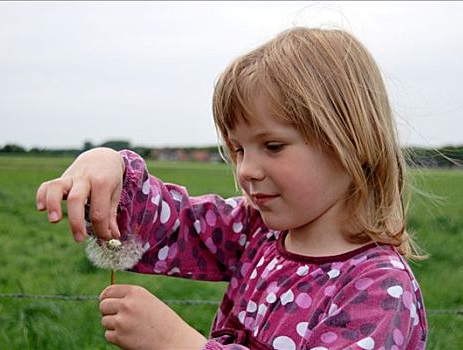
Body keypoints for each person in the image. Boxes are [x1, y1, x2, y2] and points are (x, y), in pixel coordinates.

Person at [36, 27, 427, 350]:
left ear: (351, 143)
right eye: (237, 149)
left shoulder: (378, 289)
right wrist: (109, 168)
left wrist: (181, 344)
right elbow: (173, 227)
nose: (246, 170)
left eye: (272, 146)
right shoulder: (256, 229)